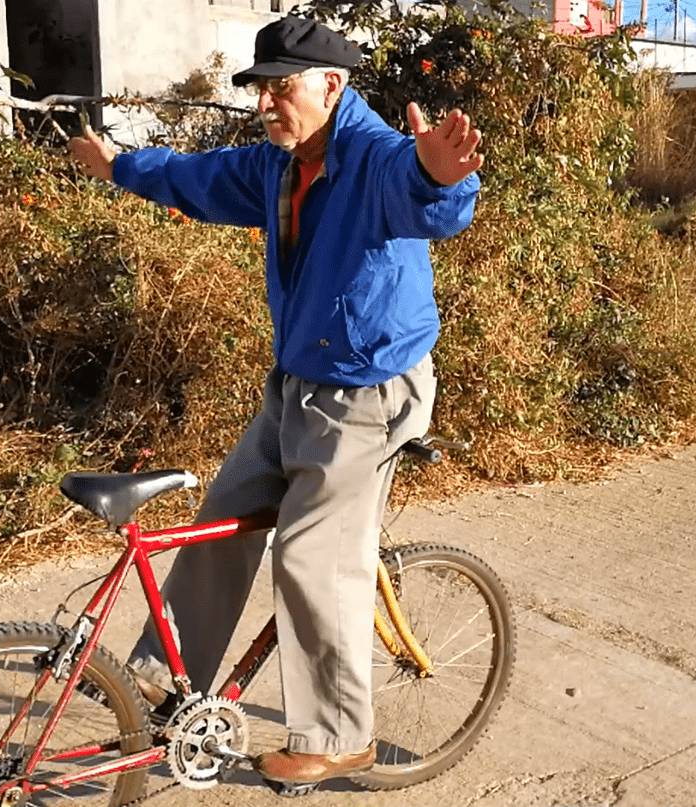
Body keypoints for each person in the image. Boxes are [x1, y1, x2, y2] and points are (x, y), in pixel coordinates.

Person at [68, 14, 482, 789]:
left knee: (312, 552)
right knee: (226, 511)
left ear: (331, 85)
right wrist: (120, 166)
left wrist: (441, 175)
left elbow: (424, 196)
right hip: (297, 384)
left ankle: (337, 733)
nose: (265, 104)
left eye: (280, 88)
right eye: (261, 89)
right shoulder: (276, 167)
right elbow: (195, 179)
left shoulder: (375, 158)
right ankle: (162, 676)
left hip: (367, 391)